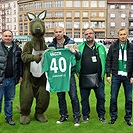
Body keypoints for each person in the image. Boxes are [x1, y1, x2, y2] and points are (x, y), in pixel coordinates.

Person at [48, 26, 81, 126]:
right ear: (54, 33)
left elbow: (79, 56)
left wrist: (75, 52)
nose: (58, 33)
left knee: (73, 96)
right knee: (60, 97)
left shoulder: (71, 43)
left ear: (63, 32)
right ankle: (63, 115)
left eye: (60, 31)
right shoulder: (51, 45)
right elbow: (48, 59)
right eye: (56, 32)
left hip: (69, 74)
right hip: (58, 75)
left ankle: (77, 116)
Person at [76, 28, 106, 123]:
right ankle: (85, 115)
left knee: (101, 98)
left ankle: (101, 115)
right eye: (86, 34)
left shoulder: (100, 47)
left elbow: (106, 61)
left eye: (90, 33)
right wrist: (77, 72)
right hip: (84, 77)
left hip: (98, 78)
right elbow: (75, 60)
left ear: (94, 35)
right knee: (84, 99)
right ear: (84, 36)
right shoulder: (80, 47)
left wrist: (105, 73)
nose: (88, 35)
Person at [106, 27, 133, 126]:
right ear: (118, 35)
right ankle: (113, 117)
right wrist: (108, 74)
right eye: (121, 34)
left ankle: (128, 118)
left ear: (127, 35)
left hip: (128, 76)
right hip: (116, 76)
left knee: (129, 99)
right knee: (113, 98)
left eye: (124, 34)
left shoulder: (131, 46)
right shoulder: (113, 46)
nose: (122, 36)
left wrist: (132, 76)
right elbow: (108, 60)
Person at [0, 30, 23, 125]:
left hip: (12, 80)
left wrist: (20, 76)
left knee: (9, 101)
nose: (8, 38)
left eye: (9, 36)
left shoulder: (17, 48)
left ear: (12, 37)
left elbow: (20, 64)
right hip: (1, 79)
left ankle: (9, 117)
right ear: (2, 37)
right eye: (6, 36)